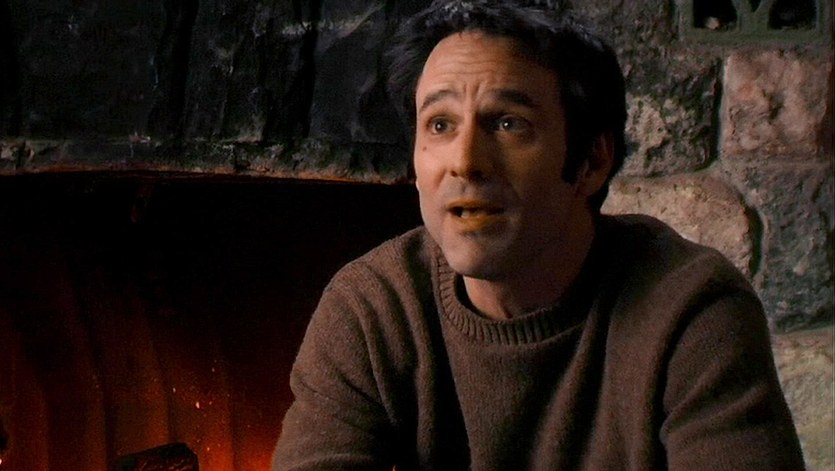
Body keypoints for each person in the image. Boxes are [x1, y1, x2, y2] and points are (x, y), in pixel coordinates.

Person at [273, 1, 805, 469]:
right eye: (439, 125)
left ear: (591, 162)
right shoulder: (372, 307)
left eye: (508, 124)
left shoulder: (691, 310)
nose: (465, 161)